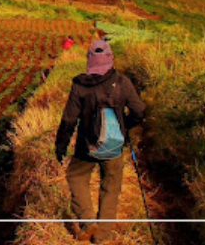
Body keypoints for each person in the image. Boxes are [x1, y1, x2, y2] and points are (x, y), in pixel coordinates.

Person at [55, 39, 146, 244]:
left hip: (86, 147)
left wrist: (60, 146)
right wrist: (125, 126)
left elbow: (69, 119)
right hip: (114, 147)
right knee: (111, 187)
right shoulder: (123, 83)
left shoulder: (80, 85)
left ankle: (88, 222)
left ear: (89, 59)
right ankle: (102, 235)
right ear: (110, 58)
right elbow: (140, 111)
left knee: (76, 177)